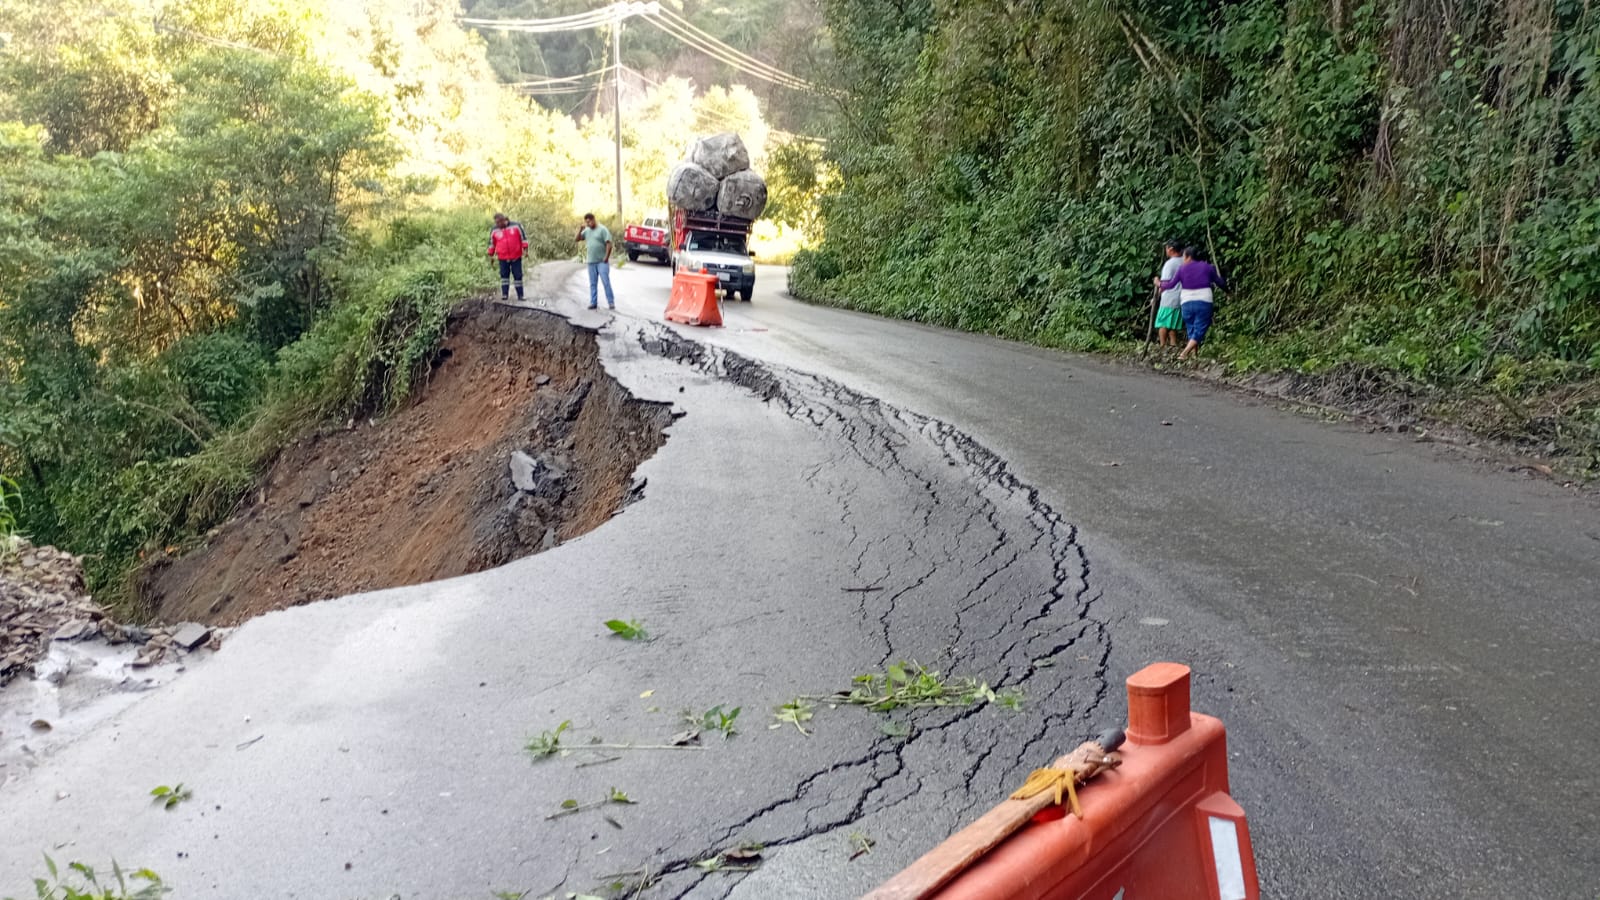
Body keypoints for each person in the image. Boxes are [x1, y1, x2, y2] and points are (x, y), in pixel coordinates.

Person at [1157, 245, 1227, 360]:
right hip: (1203, 301)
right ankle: (1185, 352)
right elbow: (1220, 283)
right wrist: (1228, 292)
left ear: (1189, 257)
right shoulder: (1208, 267)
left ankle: (1195, 356)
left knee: (1191, 328)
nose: (1183, 259)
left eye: (1184, 256)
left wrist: (1158, 283)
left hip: (1186, 302)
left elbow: (1170, 285)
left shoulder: (1182, 269)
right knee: (1200, 329)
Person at [576, 214, 615, 310]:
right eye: (586, 222)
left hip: (602, 261)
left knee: (605, 281)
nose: (588, 224)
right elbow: (577, 239)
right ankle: (593, 302)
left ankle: (611, 302)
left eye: (589, 221)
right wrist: (581, 229)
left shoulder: (602, 229)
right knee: (593, 283)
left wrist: (606, 257)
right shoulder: (587, 230)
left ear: (594, 220)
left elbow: (609, 244)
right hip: (591, 261)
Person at [487, 213, 530, 302]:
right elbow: (492, 243)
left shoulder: (516, 226)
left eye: (499, 222)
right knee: (504, 276)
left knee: (518, 276)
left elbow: (523, 238)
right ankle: (505, 295)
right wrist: (491, 255)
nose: (497, 224)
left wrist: (525, 250)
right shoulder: (494, 230)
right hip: (502, 257)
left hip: (516, 256)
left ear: (504, 220)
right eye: (496, 223)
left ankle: (520, 295)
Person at [1154, 239, 1184, 349]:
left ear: (1171, 249)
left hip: (1169, 298)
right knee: (1172, 323)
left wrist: (1157, 285)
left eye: (1166, 248)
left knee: (1162, 323)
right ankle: (1173, 345)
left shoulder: (1170, 264)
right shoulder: (1184, 261)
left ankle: (1162, 346)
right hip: (1180, 297)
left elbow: (1164, 284)